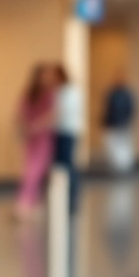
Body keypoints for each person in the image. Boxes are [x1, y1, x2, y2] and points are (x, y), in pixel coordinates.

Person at [15, 63, 57, 218]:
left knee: (37, 171)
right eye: (43, 74)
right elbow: (20, 113)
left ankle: (30, 203)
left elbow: (52, 115)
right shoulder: (29, 94)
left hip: (44, 137)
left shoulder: (51, 94)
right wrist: (25, 128)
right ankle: (26, 203)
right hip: (31, 137)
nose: (46, 78)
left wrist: (36, 126)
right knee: (30, 170)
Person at [50, 64, 84, 215]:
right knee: (64, 165)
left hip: (66, 131)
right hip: (65, 131)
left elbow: (59, 113)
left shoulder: (67, 92)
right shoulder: (65, 92)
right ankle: (66, 198)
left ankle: (71, 198)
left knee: (66, 165)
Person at [102, 71, 136, 174]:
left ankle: (124, 169)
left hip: (123, 124)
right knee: (113, 148)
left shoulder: (127, 94)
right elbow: (107, 109)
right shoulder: (112, 93)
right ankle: (115, 168)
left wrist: (127, 121)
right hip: (112, 124)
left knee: (124, 148)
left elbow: (131, 109)